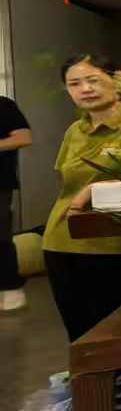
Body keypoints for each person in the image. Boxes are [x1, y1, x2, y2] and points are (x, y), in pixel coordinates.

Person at [43, 55, 121, 342]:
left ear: (116, 80)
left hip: (114, 244)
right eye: (74, 84)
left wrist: (93, 190)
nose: (85, 89)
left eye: (92, 80)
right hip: (61, 241)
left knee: (117, 336)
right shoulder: (74, 131)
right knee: (79, 334)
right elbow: (65, 183)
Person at [0, 92, 31, 311]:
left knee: (0, 235)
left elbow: (23, 138)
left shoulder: (4, 105)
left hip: (0, 183)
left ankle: (11, 287)